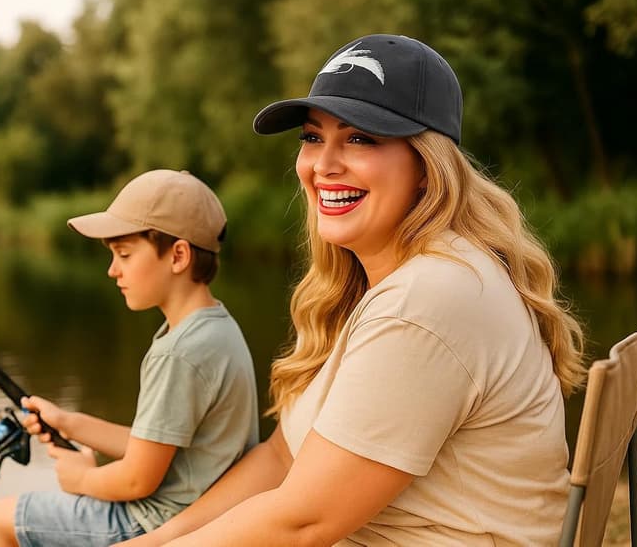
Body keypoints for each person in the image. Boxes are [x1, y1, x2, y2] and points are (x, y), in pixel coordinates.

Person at [117, 34, 587, 546]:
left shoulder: (426, 301)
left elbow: (302, 523)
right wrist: (156, 538)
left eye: (360, 138)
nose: (323, 165)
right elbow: (281, 457)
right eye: (313, 137)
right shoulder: (398, 280)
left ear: (428, 168)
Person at [0, 169, 259, 546]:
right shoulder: (216, 328)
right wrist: (69, 422)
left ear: (178, 255)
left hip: (152, 524)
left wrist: (82, 481)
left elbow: (136, 479)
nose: (112, 270)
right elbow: (153, 444)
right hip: (196, 511)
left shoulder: (179, 353)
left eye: (124, 255)